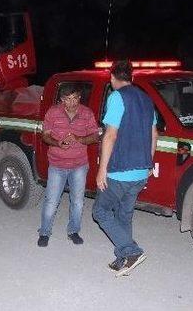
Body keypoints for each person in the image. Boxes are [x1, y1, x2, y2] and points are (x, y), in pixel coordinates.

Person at [92, 60, 158, 277]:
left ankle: (131, 251)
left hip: (120, 171)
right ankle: (124, 260)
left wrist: (102, 170)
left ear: (112, 79)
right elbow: (154, 134)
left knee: (100, 211)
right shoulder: (147, 100)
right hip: (140, 172)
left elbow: (110, 134)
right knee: (124, 215)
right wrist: (149, 162)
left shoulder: (116, 97)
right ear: (132, 77)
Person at [37, 84, 100, 247]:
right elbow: (45, 136)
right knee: (51, 200)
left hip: (79, 165)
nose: (73, 102)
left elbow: (95, 136)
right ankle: (44, 232)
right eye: (69, 99)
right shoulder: (53, 112)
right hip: (57, 165)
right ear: (62, 100)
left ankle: (73, 231)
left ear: (80, 97)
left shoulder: (86, 113)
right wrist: (58, 143)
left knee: (78, 201)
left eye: (76, 98)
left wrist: (79, 139)